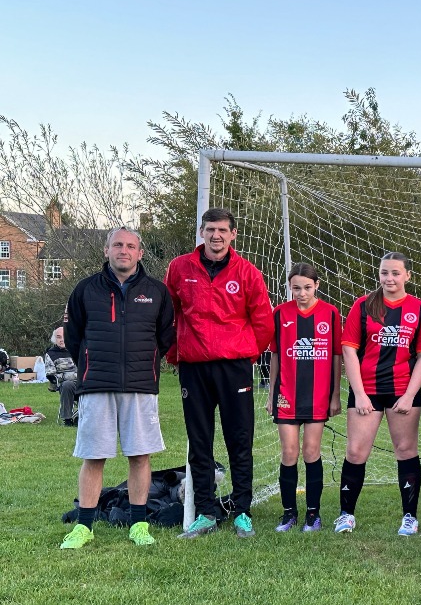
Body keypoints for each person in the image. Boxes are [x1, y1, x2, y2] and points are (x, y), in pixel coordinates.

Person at [60, 226, 175, 549]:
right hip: (97, 384)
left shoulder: (156, 291)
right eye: (117, 245)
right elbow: (73, 337)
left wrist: (144, 361)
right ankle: (83, 526)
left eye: (130, 246)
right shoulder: (85, 290)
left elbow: (165, 336)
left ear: (140, 253)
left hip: (140, 385)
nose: (123, 251)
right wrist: (91, 364)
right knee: (93, 456)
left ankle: (139, 523)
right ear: (106, 250)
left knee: (140, 455)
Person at [166, 207, 273, 539]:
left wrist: (245, 355)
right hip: (194, 368)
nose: (216, 235)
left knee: (239, 440)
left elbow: (263, 321)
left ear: (233, 234)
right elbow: (168, 314)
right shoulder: (180, 268)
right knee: (200, 443)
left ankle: (242, 512)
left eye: (222, 230)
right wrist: (175, 354)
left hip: (234, 367)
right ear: (201, 232)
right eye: (210, 229)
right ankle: (206, 513)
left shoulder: (247, 272)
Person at [339, 252, 421, 534]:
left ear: (407, 276)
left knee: (405, 450)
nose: (389, 278)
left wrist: (409, 395)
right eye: (384, 273)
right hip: (366, 390)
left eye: (395, 273)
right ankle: (346, 515)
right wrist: (359, 394)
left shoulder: (419, 309)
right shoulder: (364, 305)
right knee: (356, 451)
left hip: (403, 391)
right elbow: (349, 350)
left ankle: (409, 517)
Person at [266, 263, 342, 533]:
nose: (301, 293)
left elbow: (336, 356)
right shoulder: (280, 313)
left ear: (317, 285)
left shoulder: (331, 313)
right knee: (289, 452)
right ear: (290, 287)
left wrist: (335, 395)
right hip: (287, 395)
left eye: (307, 287)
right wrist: (272, 392)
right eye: (296, 288)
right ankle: (288, 514)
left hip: (318, 395)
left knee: (311, 451)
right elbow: (275, 355)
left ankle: (313, 513)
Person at [44, 326, 79, 425]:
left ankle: (82, 416)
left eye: (64, 336)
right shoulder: (50, 354)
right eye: (59, 337)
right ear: (54, 339)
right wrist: (71, 376)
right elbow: (51, 375)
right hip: (66, 385)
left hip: (82, 383)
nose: (62, 340)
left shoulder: (76, 350)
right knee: (68, 384)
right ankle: (67, 419)